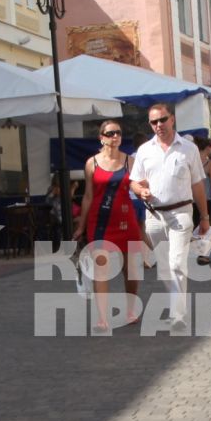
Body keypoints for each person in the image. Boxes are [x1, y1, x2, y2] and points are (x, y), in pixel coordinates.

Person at [129, 104, 210, 331]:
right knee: (165, 267)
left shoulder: (188, 148)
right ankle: (177, 305)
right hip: (154, 215)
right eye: (153, 122)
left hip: (181, 212)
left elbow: (197, 184)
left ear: (172, 119)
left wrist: (205, 216)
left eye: (162, 120)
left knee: (176, 263)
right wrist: (139, 190)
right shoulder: (145, 150)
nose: (158, 125)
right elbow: (134, 180)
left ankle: (178, 315)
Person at [76, 119, 142, 332]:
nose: (115, 137)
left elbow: (137, 186)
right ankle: (102, 317)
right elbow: (88, 196)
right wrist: (81, 225)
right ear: (101, 137)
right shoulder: (91, 163)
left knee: (130, 269)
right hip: (100, 221)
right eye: (111, 133)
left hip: (125, 219)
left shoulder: (129, 161)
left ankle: (130, 309)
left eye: (119, 133)